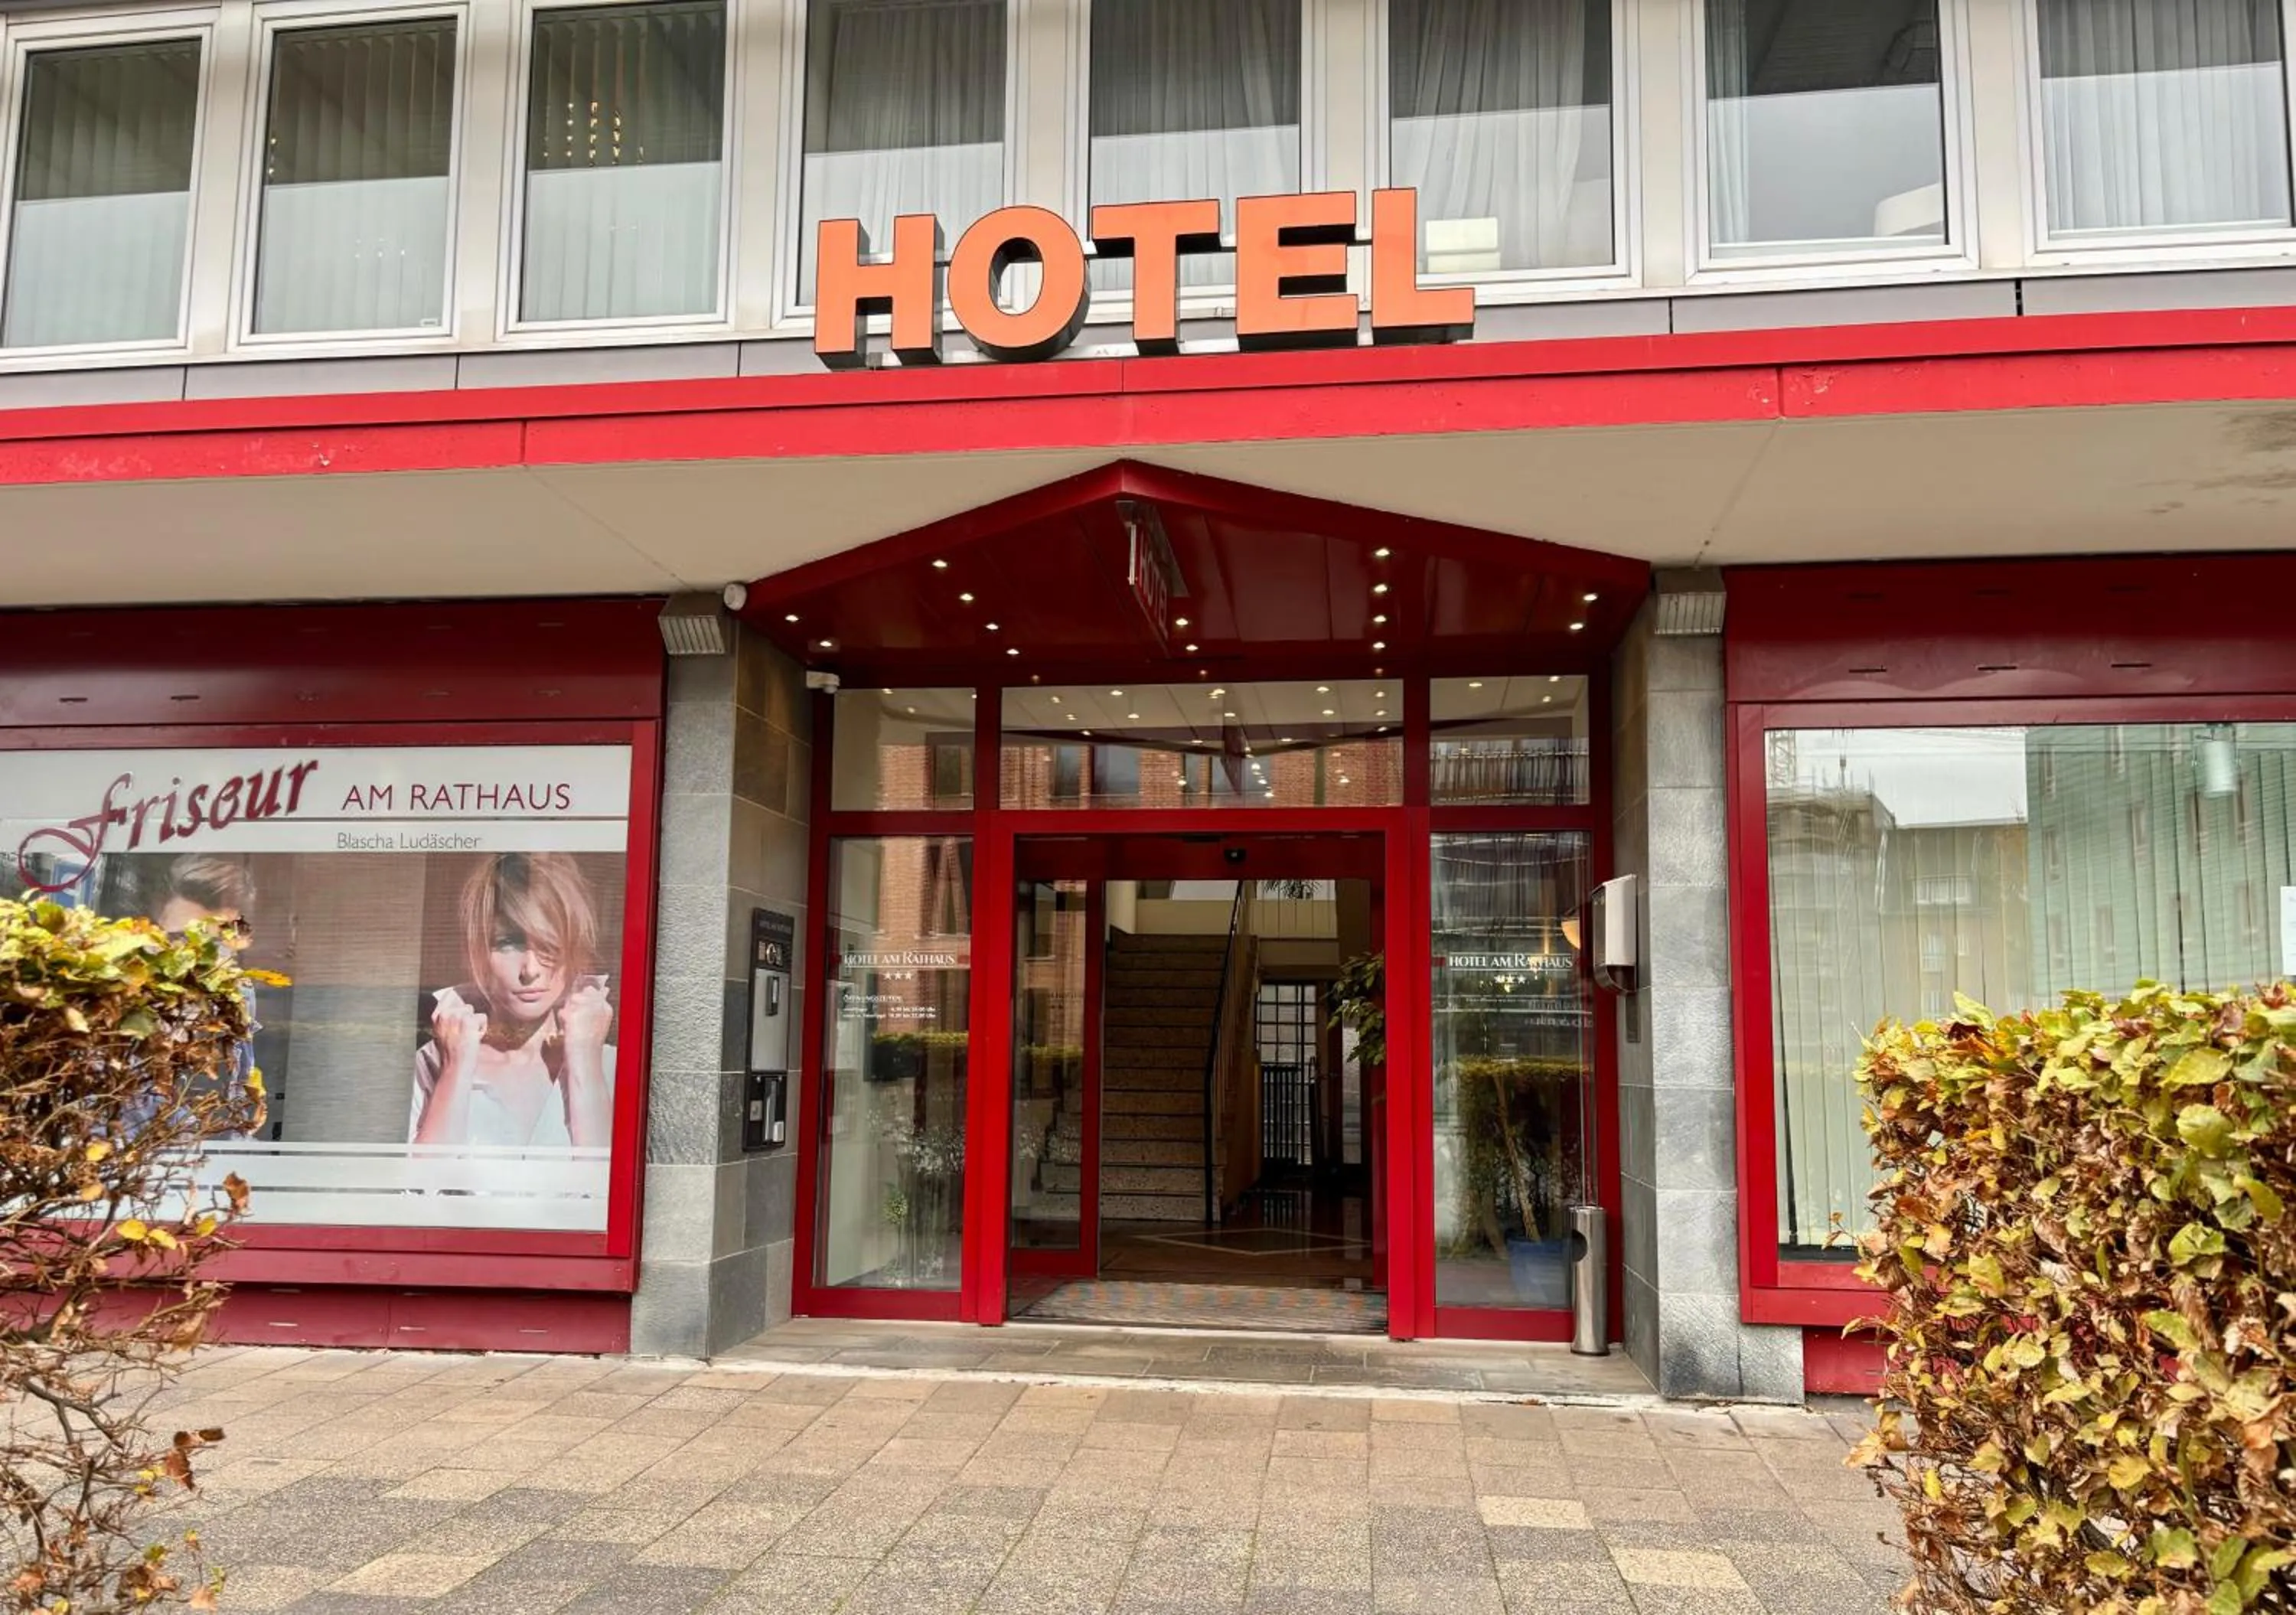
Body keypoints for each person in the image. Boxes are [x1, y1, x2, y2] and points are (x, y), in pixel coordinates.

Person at [409, 853, 614, 1150]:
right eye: (508, 944)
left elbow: (609, 1175)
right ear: (477, 951)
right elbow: (422, 1180)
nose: (530, 970)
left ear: (572, 948)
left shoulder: (609, 1065)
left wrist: (585, 1058)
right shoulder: (433, 1062)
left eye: (549, 945)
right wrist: (456, 1069)